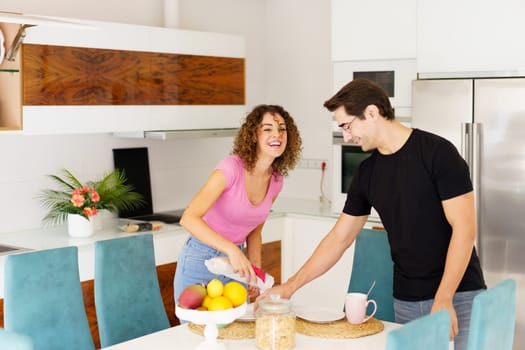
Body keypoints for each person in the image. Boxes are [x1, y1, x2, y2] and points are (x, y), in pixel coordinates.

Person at [257, 79, 485, 350]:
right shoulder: (367, 173)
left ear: (372, 113)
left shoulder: (437, 153)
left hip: (460, 294)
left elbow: (464, 229)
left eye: (347, 125)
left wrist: (444, 298)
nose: (347, 136)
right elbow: (339, 239)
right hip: (407, 300)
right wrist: (290, 286)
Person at [174, 104, 302, 307]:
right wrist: (232, 251)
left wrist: (255, 272)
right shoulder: (231, 168)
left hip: (237, 266)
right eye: (267, 129)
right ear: (253, 135)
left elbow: (254, 232)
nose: (276, 134)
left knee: (234, 332)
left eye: (282, 128)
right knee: (196, 331)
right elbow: (189, 218)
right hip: (201, 259)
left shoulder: (276, 181)